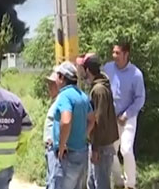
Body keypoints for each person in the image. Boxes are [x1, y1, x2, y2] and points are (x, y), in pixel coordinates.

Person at [104, 41, 145, 189]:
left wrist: (126, 115)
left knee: (126, 149)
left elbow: (140, 98)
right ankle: (119, 182)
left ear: (126, 54)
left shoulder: (136, 74)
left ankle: (130, 184)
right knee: (110, 150)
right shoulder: (108, 68)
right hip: (111, 117)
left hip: (128, 117)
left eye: (117, 53)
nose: (114, 55)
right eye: (113, 52)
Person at [76, 53, 118, 189]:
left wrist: (95, 148)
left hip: (101, 147)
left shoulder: (99, 90)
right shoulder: (99, 87)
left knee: (101, 184)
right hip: (99, 145)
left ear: (88, 70)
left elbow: (99, 122)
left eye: (82, 69)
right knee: (92, 184)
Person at [52, 61, 95, 189]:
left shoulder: (64, 96)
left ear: (62, 78)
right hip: (81, 151)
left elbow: (66, 121)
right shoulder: (83, 96)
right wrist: (83, 135)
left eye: (57, 76)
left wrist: (62, 145)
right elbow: (92, 119)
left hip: (67, 154)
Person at [44, 71, 60, 189]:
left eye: (52, 84)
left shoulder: (60, 101)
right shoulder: (55, 101)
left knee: (53, 181)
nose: (49, 87)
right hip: (50, 149)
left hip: (54, 148)